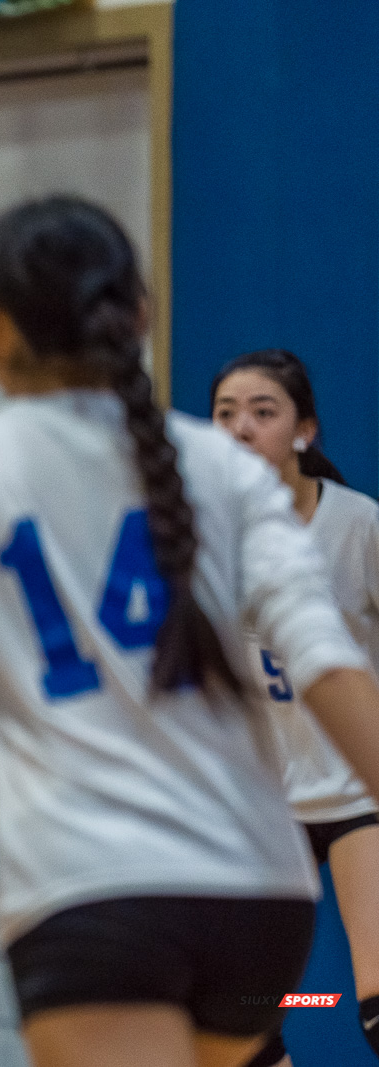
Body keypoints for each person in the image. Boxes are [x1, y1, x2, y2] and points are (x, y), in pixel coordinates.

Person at [0, 196, 379, 1067]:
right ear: (138, 317)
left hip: (92, 902)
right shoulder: (230, 473)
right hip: (262, 907)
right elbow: (329, 664)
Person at [211, 349, 379, 1067]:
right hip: (262, 807)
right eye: (224, 414)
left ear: (304, 430)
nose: (241, 428)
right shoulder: (205, 537)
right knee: (247, 1015)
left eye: (262, 411)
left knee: (374, 1002)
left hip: (352, 792)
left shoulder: (357, 524)